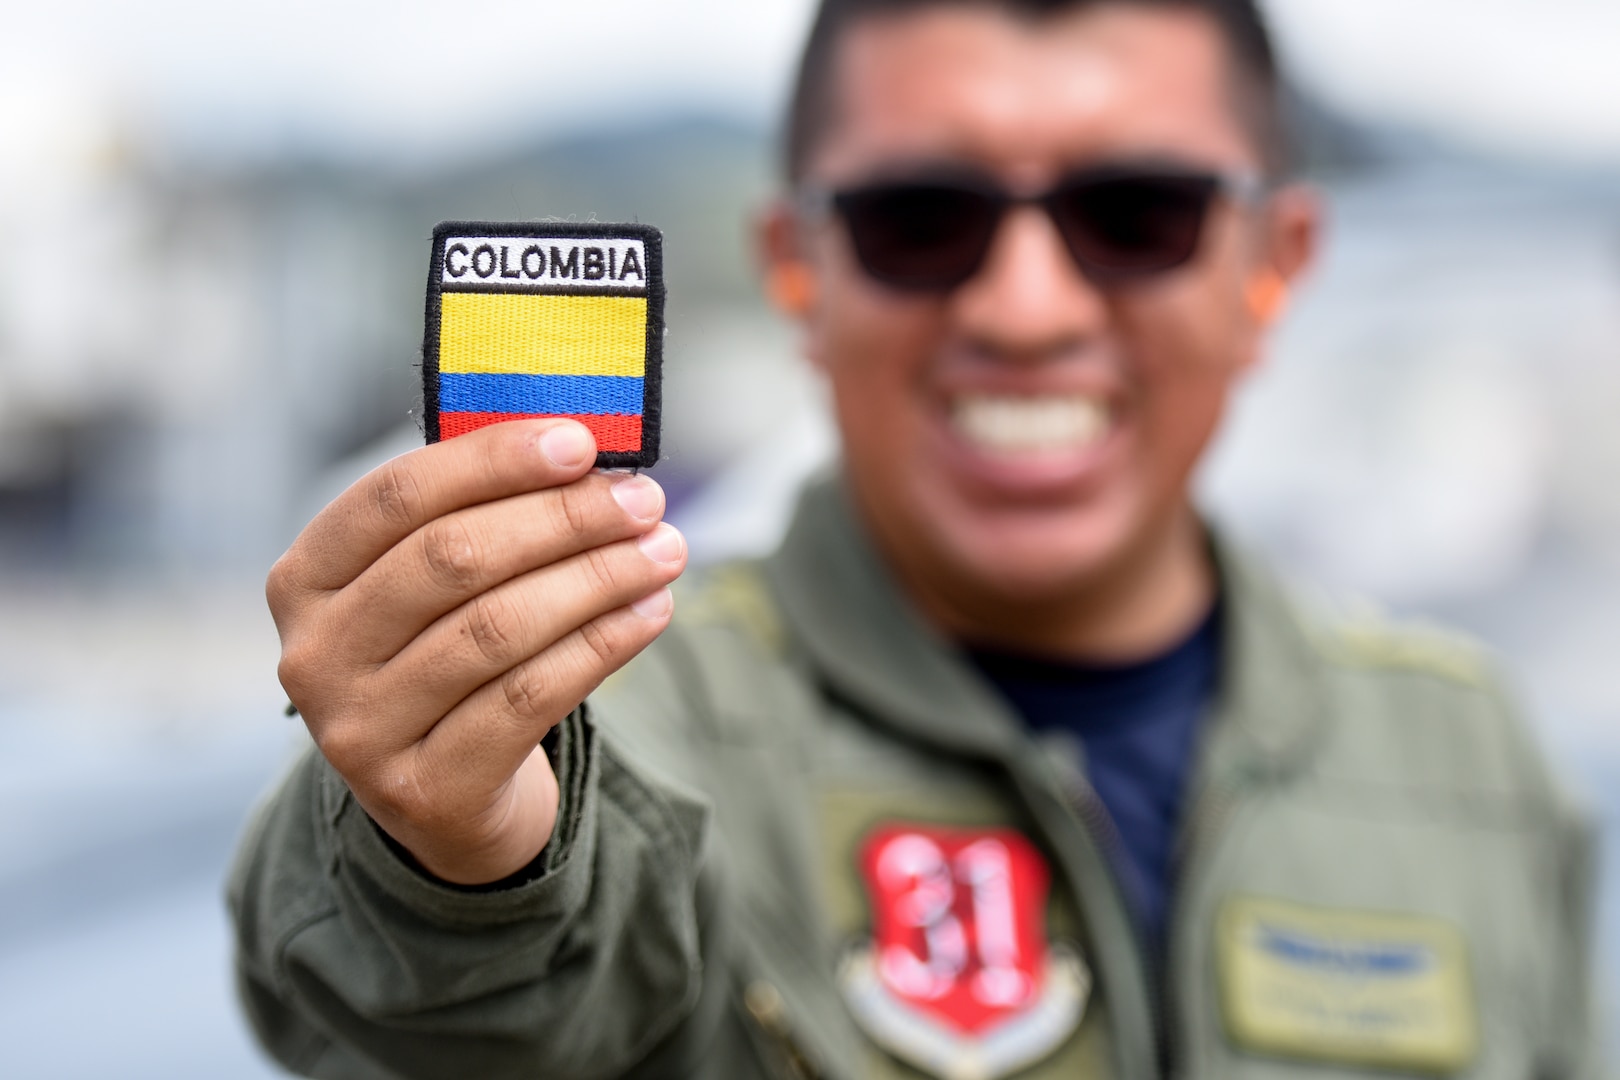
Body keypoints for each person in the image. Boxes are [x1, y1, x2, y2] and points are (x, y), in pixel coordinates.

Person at [229, 0, 1602, 1076]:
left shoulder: (1467, 750)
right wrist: (457, 857)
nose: (1023, 307)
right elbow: (429, 1018)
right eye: (919, 220)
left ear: (1273, 267)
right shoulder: (616, 707)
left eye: (1138, 215)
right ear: (794, 273)